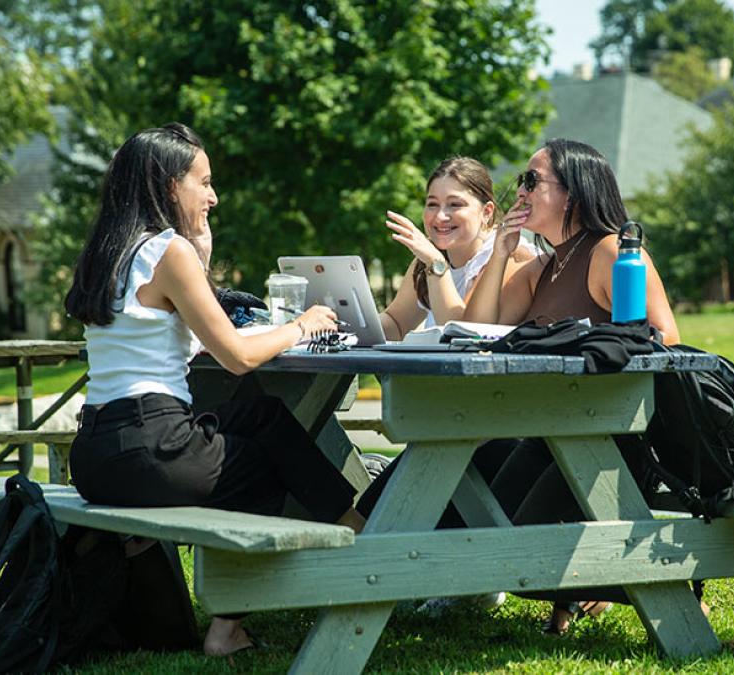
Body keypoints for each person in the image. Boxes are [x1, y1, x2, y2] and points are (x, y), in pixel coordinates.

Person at [63, 123, 366, 657]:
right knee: (268, 462)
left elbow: (172, 334)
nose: (213, 196)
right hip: (152, 448)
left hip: (94, 452)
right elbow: (238, 357)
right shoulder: (168, 250)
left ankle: (354, 525)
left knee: (263, 417)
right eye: (202, 182)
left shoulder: (108, 249)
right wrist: (303, 325)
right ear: (167, 185)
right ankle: (235, 624)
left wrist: (199, 252)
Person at [462, 138, 685, 635]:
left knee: (518, 552)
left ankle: (673, 585)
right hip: (546, 435)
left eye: (532, 180)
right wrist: (500, 252)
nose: (520, 189)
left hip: (612, 439)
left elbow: (667, 341)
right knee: (495, 532)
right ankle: (583, 593)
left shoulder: (612, 251)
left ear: (574, 195)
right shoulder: (543, 266)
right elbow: (478, 328)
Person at [377, 156, 535, 340]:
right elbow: (396, 323)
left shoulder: (508, 255)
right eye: (432, 204)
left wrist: (437, 265)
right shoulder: (429, 257)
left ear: (486, 212)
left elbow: (462, 337)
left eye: (455, 205)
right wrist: (345, 325)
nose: (440, 216)